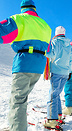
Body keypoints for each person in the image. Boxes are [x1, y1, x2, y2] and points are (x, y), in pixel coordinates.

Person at [0, 0, 51, 130]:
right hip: (39, 65)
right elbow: (49, 49)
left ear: (22, 8)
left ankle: (17, 128)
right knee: (22, 98)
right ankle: (15, 125)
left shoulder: (19, 19)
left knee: (17, 100)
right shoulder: (45, 25)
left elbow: (2, 33)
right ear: (34, 8)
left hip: (24, 62)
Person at [44, 26, 72, 129]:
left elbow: (50, 54)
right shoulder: (69, 45)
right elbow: (71, 60)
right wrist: (69, 72)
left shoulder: (54, 42)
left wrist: (45, 51)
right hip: (65, 72)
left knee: (52, 95)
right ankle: (59, 116)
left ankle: (52, 120)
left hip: (56, 71)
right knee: (57, 94)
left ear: (56, 33)